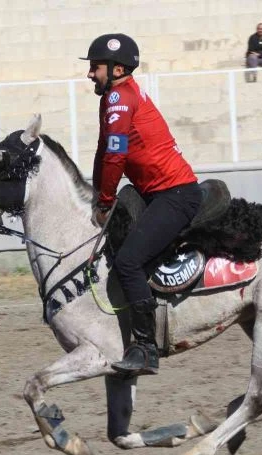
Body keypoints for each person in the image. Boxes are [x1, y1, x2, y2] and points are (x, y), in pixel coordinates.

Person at [81, 34, 202, 377]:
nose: (90, 74)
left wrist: (105, 200)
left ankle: (146, 349)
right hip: (158, 192)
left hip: (175, 195)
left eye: (95, 67)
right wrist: (97, 194)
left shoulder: (119, 97)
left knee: (129, 261)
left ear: (117, 68)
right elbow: (103, 151)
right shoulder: (114, 97)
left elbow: (115, 154)